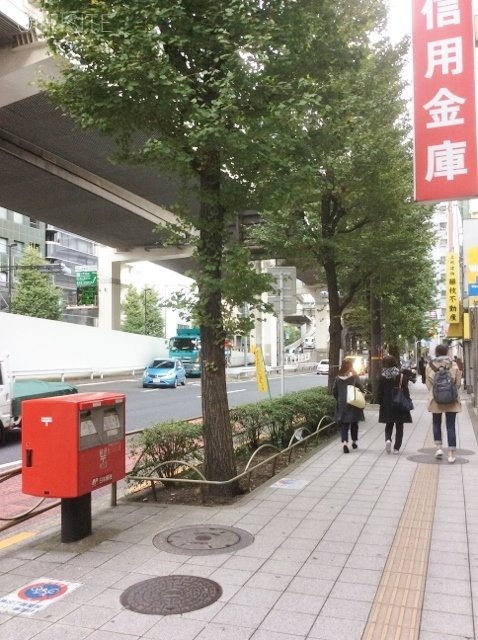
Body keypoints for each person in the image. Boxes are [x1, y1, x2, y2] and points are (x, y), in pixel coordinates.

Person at [426, 344, 462, 464]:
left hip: (436, 399)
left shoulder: (430, 365)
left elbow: (428, 384)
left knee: (436, 422)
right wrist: (451, 391)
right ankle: (451, 455)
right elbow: (457, 382)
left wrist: (435, 392)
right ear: (447, 352)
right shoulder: (453, 364)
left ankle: (439, 448)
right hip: (451, 400)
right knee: (450, 426)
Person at [377, 355, 413, 454]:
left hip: (387, 403)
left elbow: (380, 392)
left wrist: (380, 403)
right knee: (399, 426)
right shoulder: (401, 376)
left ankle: (388, 439)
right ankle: (397, 448)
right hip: (399, 403)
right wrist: (408, 400)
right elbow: (406, 391)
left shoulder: (382, 376)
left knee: (389, 424)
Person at [332, 358, 365, 453]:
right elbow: (361, 388)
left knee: (344, 424)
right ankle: (354, 442)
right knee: (354, 423)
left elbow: (334, 391)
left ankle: (345, 443)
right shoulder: (354, 376)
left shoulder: (338, 377)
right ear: (351, 366)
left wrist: (339, 399)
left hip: (342, 403)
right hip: (353, 403)